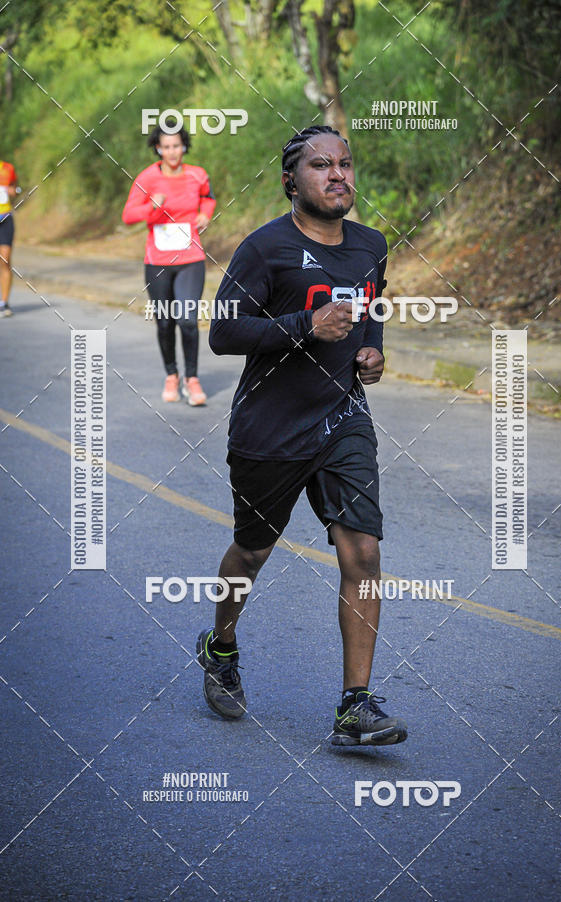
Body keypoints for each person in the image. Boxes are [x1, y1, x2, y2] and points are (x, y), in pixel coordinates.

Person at [198, 125, 408, 747]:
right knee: (252, 551)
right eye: (321, 166)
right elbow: (224, 334)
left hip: (343, 418)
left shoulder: (371, 245)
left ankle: (355, 706)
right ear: (291, 182)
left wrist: (372, 351)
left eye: (345, 163)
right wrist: (304, 326)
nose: (338, 174)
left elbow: (369, 308)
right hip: (270, 428)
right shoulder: (264, 249)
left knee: (363, 552)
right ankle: (221, 645)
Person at [122, 119, 216, 405]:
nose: (172, 152)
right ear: (158, 149)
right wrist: (151, 204)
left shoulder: (198, 175)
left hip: (190, 258)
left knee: (187, 319)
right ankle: (172, 375)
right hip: (158, 261)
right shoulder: (147, 178)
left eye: (177, 146)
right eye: (166, 147)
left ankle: (192, 379)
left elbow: (208, 198)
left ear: (184, 146)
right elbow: (128, 216)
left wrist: (205, 214)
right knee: (165, 322)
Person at [0, 159, 20, 318]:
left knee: (5, 260)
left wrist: (13, 190)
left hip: (5, 217)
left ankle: (4, 303)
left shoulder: (8, 168)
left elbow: (15, 190)